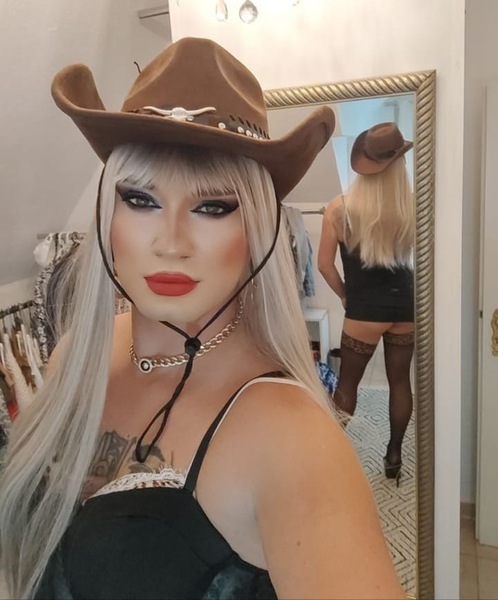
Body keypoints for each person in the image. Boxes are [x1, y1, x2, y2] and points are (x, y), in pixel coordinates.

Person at [0, 39, 406, 600]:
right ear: (106, 215)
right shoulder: (77, 356)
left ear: (257, 231)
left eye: (212, 207)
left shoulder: (291, 439)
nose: (171, 243)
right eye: (140, 200)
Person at [318, 122, 415, 485]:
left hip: (363, 311)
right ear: (399, 165)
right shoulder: (411, 206)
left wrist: (346, 295)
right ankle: (394, 456)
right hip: (406, 308)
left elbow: (324, 266)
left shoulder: (339, 209)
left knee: (347, 386)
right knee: (400, 382)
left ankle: (332, 460)